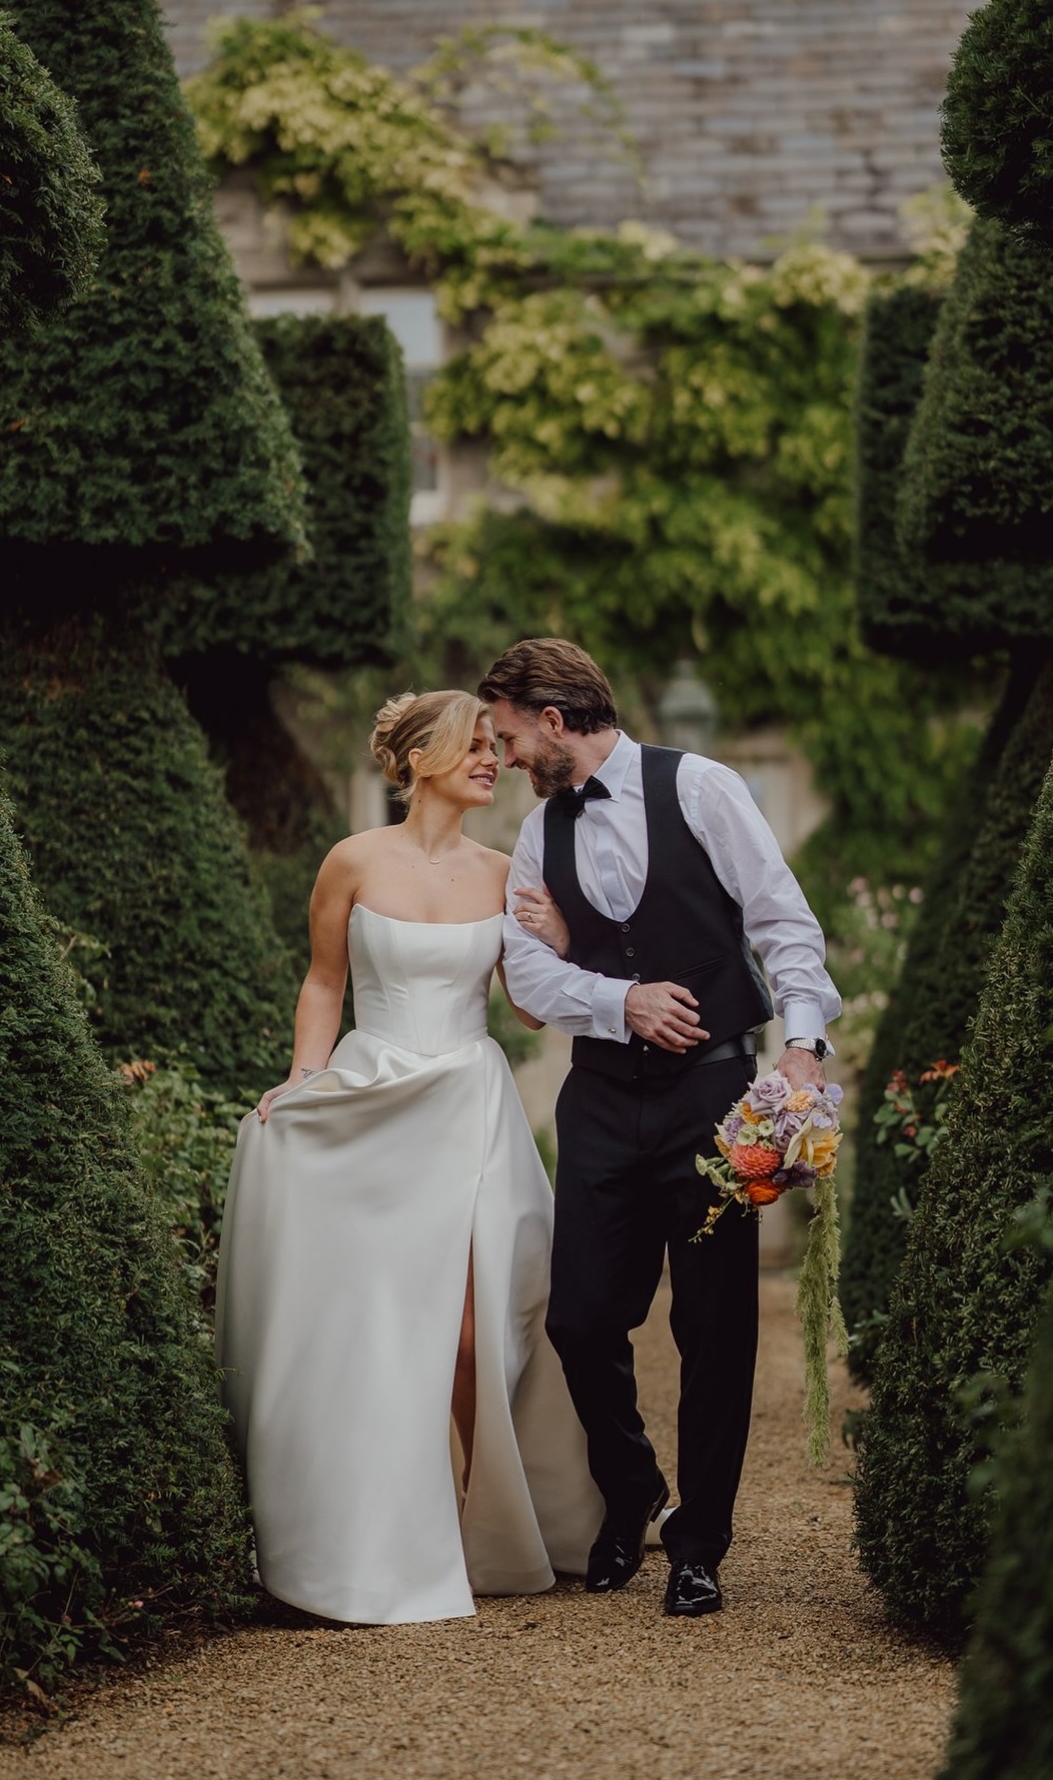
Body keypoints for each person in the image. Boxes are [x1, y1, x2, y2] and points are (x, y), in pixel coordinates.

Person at [215, 689, 602, 1625]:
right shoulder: (351, 860)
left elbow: (528, 1010)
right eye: (474, 746)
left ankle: (479, 1526)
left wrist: (557, 939)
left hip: (469, 1107)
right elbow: (324, 982)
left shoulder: (505, 872)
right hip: (373, 1102)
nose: (492, 759)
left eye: (493, 746)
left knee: (475, 1333)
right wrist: (305, 1080)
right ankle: (369, 1537)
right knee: (377, 1328)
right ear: (421, 758)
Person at [480, 639, 840, 1618]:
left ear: (554, 720)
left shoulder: (703, 788)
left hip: (714, 1095)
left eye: (510, 738)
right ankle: (632, 1480)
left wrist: (802, 1045)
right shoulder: (537, 835)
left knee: (715, 1325)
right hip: (600, 1098)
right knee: (580, 1316)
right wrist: (621, 1001)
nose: (507, 758)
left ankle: (698, 1543)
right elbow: (528, 971)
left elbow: (782, 920)